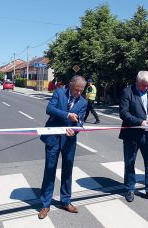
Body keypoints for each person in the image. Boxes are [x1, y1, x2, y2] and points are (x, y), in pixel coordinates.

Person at [38, 75, 88, 219]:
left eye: (81, 91)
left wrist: (75, 130)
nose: (78, 93)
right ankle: (45, 204)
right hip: (53, 139)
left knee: (67, 171)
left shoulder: (83, 102)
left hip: (69, 141)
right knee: (49, 170)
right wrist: (67, 115)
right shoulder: (59, 93)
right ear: (70, 86)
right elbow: (50, 109)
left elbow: (80, 122)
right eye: (76, 90)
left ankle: (65, 201)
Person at [119, 71, 148, 204]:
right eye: (144, 85)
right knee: (130, 163)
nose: (147, 88)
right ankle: (130, 189)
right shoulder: (127, 92)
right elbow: (123, 113)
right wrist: (139, 122)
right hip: (132, 135)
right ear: (137, 82)